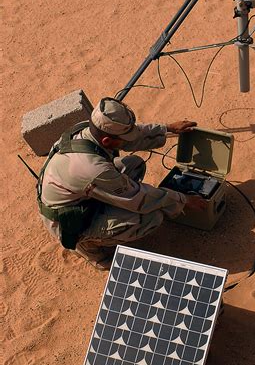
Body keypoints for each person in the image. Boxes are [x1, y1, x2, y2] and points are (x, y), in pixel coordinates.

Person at [37, 97, 205, 269]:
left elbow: (135, 134)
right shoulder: (94, 169)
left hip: (79, 194)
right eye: (123, 139)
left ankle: (103, 216)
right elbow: (140, 198)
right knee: (151, 217)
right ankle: (86, 246)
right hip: (68, 219)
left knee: (134, 165)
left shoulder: (87, 129)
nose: (127, 141)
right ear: (107, 142)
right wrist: (184, 200)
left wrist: (167, 128)